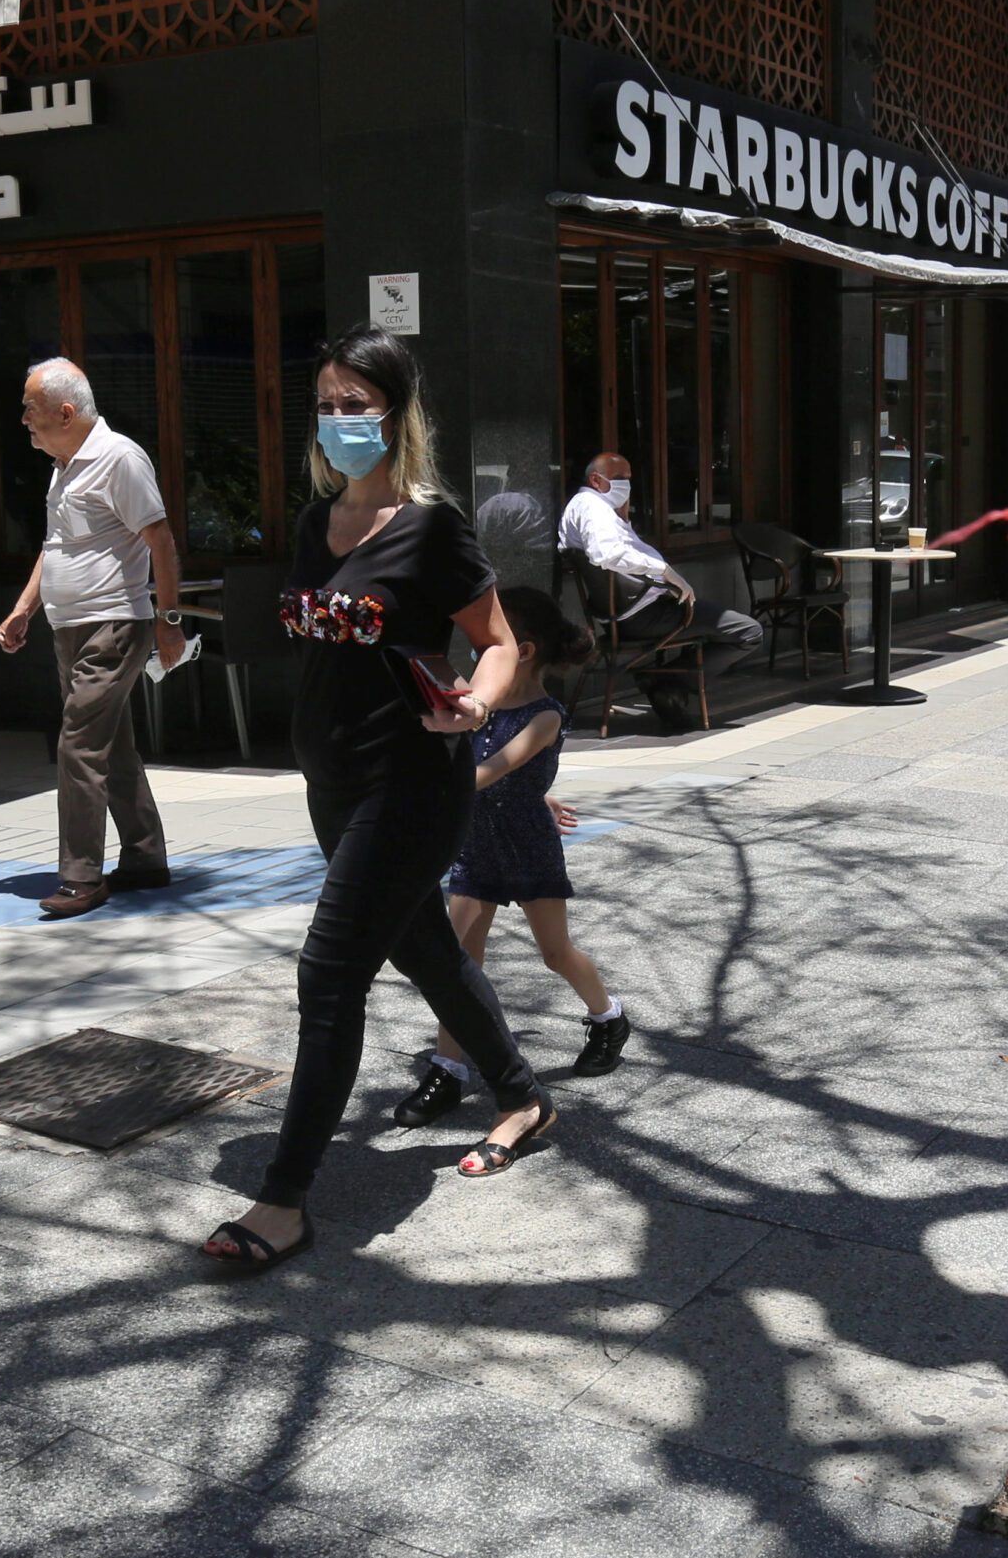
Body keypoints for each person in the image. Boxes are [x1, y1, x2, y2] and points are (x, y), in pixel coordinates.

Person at [199, 325, 553, 1273]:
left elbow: (500, 639)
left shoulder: (433, 526)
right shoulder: (318, 523)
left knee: (328, 976)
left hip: (410, 781)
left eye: (356, 405)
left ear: (396, 419)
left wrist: (476, 700)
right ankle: (523, 1096)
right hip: (333, 781)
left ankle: (282, 1202)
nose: (338, 420)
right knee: (425, 948)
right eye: (325, 403)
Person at [399, 586, 628, 1131]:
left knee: (555, 952)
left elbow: (493, 769)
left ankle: (609, 1018)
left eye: (486, 641)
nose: (479, 653)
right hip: (477, 842)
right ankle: (448, 1069)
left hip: (527, 846)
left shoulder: (545, 715)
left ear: (520, 650)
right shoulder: (479, 699)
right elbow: (488, 769)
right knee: (458, 960)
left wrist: (449, 788)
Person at [0, 357, 187, 919]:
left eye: (30, 407)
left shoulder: (119, 458)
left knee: (78, 744)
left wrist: (168, 622)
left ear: (65, 410)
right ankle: (146, 857)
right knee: (112, 746)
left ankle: (81, 876)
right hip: (68, 627)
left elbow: (162, 541)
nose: (24, 418)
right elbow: (55, 548)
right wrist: (23, 609)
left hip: (113, 624)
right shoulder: (63, 464)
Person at [557, 451, 761, 729]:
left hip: (631, 610)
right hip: (643, 615)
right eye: (619, 479)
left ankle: (664, 680)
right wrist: (663, 571)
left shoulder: (597, 508)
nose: (626, 485)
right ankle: (666, 681)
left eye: (629, 479)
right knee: (749, 632)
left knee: (730, 625)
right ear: (596, 479)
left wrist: (625, 519)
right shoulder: (591, 506)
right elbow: (606, 553)